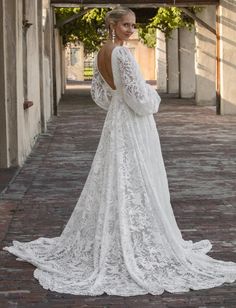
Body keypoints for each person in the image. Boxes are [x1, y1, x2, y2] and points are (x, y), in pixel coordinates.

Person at [3, 6, 236, 297]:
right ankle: (129, 238)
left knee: (119, 172)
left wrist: (121, 102)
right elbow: (137, 97)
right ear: (113, 25)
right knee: (135, 172)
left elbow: (99, 94)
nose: (131, 29)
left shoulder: (103, 51)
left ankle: (119, 231)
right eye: (126, 25)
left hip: (117, 120)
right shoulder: (122, 53)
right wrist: (153, 99)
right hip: (134, 122)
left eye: (133, 25)